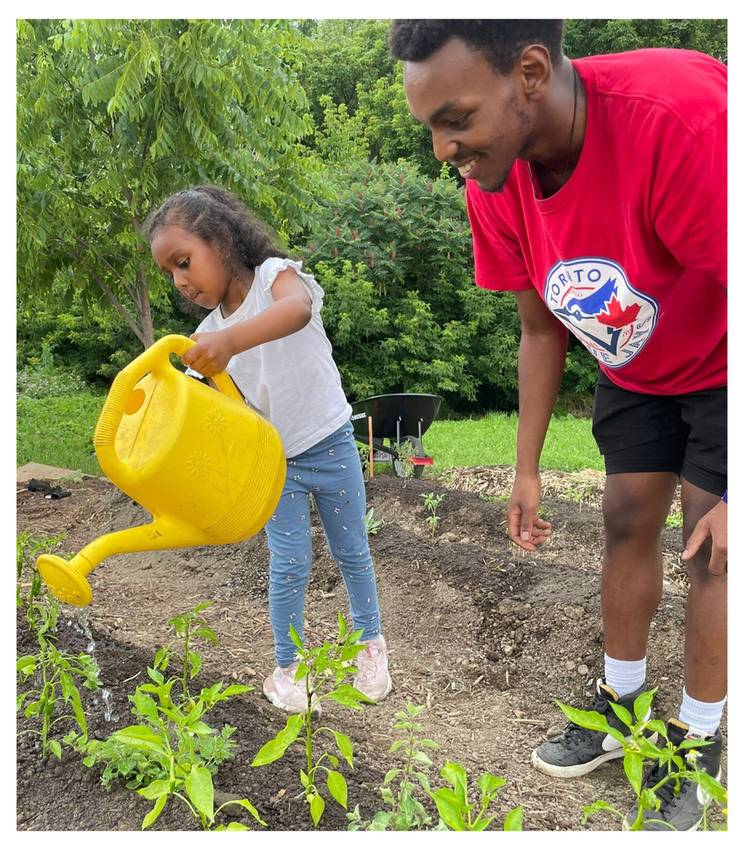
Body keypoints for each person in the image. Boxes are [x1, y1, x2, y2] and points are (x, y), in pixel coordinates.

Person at [390, 20, 726, 830]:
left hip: (725, 360)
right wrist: (527, 469)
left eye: (456, 120)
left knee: (711, 548)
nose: (442, 149)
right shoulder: (494, 182)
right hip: (638, 367)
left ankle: (700, 740)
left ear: (531, 73)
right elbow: (541, 330)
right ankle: (622, 706)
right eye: (430, 126)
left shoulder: (679, 121)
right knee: (624, 520)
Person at [144, 185, 392, 713]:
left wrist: (231, 344)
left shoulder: (276, 278)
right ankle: (288, 667)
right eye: (169, 273)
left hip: (331, 442)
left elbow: (296, 311)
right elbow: (210, 410)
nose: (180, 281)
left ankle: (370, 647)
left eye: (184, 262)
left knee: (352, 550)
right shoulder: (206, 337)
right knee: (289, 562)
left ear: (222, 240)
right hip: (275, 465)